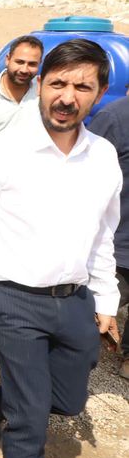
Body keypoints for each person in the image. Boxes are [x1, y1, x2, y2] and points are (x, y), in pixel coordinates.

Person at [0, 39, 120, 458]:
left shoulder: (103, 156)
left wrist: (106, 298)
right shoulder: (0, 151)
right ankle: (15, 408)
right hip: (10, 299)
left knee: (70, 401)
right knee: (30, 420)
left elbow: (103, 236)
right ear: (40, 85)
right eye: (58, 83)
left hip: (74, 300)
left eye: (83, 86)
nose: (67, 96)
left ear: (99, 93)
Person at [86, 93, 129, 380]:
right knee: (83, 325)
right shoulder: (116, 117)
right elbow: (81, 175)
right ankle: (11, 395)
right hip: (117, 245)